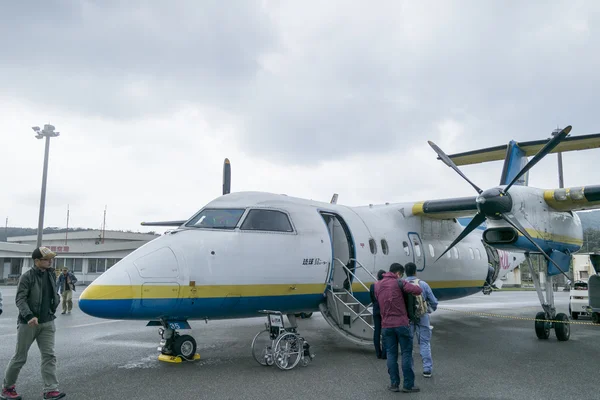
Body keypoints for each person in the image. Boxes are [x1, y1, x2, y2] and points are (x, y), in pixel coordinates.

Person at [1, 247, 66, 400]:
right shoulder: (27, 277)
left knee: (49, 356)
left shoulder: (51, 274)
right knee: (20, 357)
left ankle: (51, 390)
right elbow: (20, 299)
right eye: (46, 259)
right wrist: (29, 315)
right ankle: (7, 388)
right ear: (37, 261)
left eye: (51, 258)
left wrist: (53, 306)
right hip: (28, 323)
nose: (50, 261)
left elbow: (52, 294)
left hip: (47, 322)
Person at [375, 262, 422, 393]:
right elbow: (418, 290)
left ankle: (394, 384)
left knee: (391, 355)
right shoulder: (399, 282)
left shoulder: (377, 285)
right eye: (401, 274)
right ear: (398, 273)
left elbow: (377, 299)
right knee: (406, 353)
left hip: (386, 326)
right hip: (401, 324)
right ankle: (408, 385)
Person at [404, 262, 439, 378]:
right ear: (415, 271)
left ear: (405, 272)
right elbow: (434, 302)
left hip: (407, 318)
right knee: (424, 343)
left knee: (408, 344)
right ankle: (427, 369)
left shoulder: (401, 284)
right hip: (422, 317)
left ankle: (409, 370)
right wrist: (427, 310)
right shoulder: (423, 284)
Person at [369, 269, 387, 359]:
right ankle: (384, 353)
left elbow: (372, 298)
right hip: (385, 310)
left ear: (377, 276)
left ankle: (378, 353)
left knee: (377, 331)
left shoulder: (373, 286)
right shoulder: (387, 286)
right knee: (385, 332)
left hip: (376, 309)